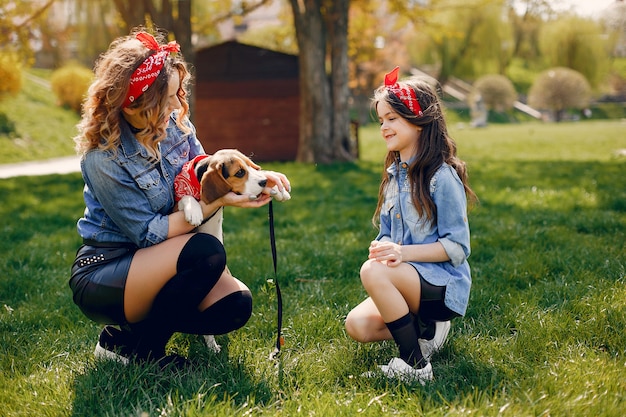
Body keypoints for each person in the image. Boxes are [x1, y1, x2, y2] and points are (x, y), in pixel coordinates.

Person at [69, 28, 290, 369]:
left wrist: (255, 181)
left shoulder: (175, 122)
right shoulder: (103, 158)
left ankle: (126, 339)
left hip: (168, 257)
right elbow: (148, 234)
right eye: (168, 97)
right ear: (138, 103)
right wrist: (217, 202)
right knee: (205, 252)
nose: (177, 104)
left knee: (235, 306)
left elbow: (203, 170)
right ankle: (143, 351)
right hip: (110, 270)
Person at [345, 67, 477, 384]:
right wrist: (383, 246)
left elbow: (457, 248)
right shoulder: (395, 176)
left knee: (372, 271)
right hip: (410, 281)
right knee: (357, 326)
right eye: (381, 120)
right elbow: (389, 235)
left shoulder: (441, 177)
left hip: (443, 286)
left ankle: (415, 366)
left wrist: (401, 253)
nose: (384, 127)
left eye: (392, 118)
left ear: (418, 121)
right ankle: (427, 331)